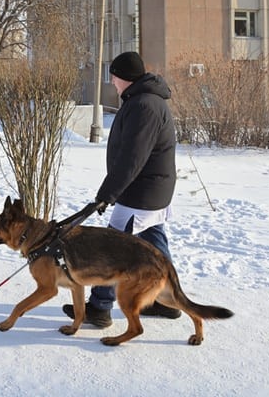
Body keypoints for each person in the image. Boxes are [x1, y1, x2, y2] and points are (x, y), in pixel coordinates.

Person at [63, 51, 181, 328]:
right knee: (153, 244)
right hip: (150, 189)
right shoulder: (144, 101)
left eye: (114, 77)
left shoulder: (144, 106)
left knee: (112, 248)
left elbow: (132, 158)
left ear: (125, 77)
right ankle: (165, 301)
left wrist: (107, 194)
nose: (112, 82)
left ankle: (100, 307)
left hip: (141, 192)